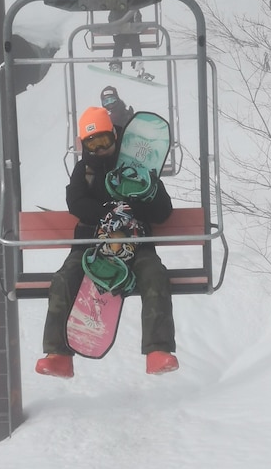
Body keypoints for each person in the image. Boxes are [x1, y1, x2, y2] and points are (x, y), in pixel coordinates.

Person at [35, 106, 179, 379]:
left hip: (136, 243)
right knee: (65, 278)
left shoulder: (136, 168)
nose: (100, 149)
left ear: (115, 135)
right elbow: (75, 203)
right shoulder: (85, 170)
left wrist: (148, 191)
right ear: (83, 144)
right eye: (92, 144)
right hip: (91, 244)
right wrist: (109, 212)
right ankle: (58, 355)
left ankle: (158, 350)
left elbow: (163, 213)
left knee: (154, 274)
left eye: (104, 141)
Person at [108, 8, 153, 80]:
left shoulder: (134, 9)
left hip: (132, 33)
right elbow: (111, 20)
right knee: (119, 43)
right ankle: (116, 63)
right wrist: (115, 30)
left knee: (135, 41)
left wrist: (136, 28)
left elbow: (138, 20)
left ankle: (138, 62)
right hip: (120, 33)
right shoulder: (115, 10)